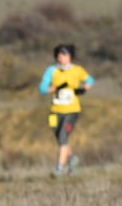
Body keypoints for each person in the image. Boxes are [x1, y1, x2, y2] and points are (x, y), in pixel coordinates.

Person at [39, 43, 95, 177]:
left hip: (72, 111)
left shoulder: (77, 70)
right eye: (59, 55)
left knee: (63, 137)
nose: (61, 57)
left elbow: (90, 80)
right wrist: (51, 89)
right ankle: (72, 159)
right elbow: (42, 88)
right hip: (55, 111)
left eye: (64, 55)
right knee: (60, 139)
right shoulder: (51, 71)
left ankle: (59, 169)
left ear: (71, 56)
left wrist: (84, 88)